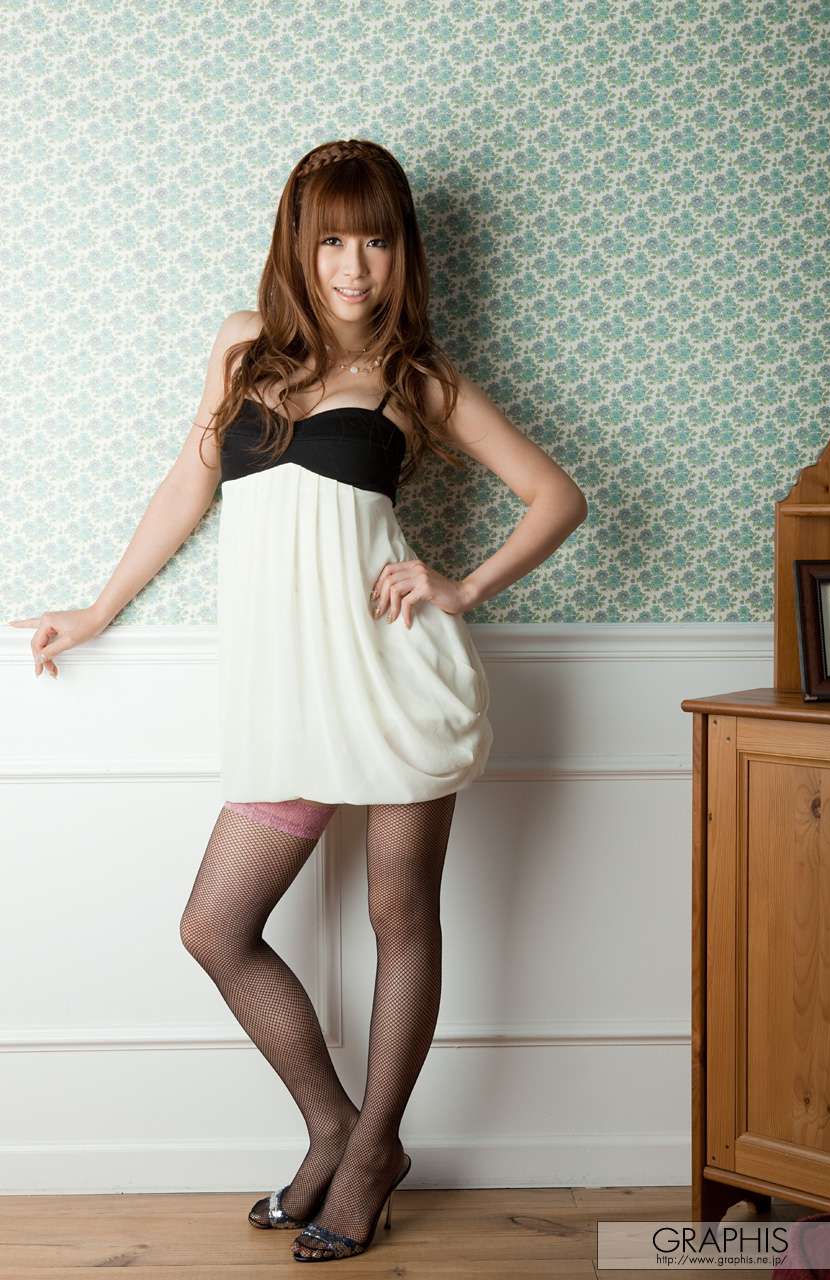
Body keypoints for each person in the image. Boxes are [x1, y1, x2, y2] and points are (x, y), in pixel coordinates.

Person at [9, 138, 588, 1263]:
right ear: (298, 247)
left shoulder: (420, 378)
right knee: (215, 927)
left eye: (375, 241)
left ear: (402, 251)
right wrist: (99, 609)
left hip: (392, 685)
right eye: (331, 242)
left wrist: (462, 586)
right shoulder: (243, 347)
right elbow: (190, 481)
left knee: (398, 918)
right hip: (286, 699)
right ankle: (332, 1121)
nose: (353, 267)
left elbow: (554, 495)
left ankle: (372, 1154)